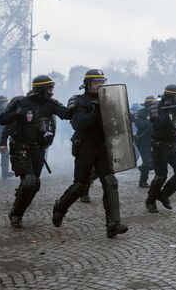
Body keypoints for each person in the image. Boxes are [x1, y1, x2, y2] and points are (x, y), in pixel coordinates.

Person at [52, 69, 128, 238]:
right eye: (95, 82)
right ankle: (60, 208)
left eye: (102, 82)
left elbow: (118, 124)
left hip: (103, 147)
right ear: (87, 84)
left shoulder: (108, 100)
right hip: (85, 147)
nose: (99, 85)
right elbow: (79, 124)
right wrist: (96, 111)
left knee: (110, 181)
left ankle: (113, 224)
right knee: (80, 185)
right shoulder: (80, 101)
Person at [0, 76, 71, 228]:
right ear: (40, 89)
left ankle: (18, 211)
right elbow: (2, 119)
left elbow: (66, 114)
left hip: (39, 149)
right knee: (29, 181)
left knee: (34, 184)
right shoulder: (20, 102)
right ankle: (16, 215)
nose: (52, 92)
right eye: (49, 89)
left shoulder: (50, 104)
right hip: (21, 147)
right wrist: (16, 113)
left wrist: (82, 105)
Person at [145, 85, 176, 213]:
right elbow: (157, 122)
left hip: (173, 144)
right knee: (161, 176)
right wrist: (168, 112)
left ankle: (164, 195)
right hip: (160, 145)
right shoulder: (157, 105)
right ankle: (150, 200)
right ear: (170, 97)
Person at [134, 95, 156, 188]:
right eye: (150, 104)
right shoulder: (140, 113)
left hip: (154, 141)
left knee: (155, 163)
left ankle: (143, 168)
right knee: (148, 162)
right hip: (143, 142)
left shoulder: (157, 113)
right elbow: (140, 125)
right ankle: (143, 181)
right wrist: (150, 119)